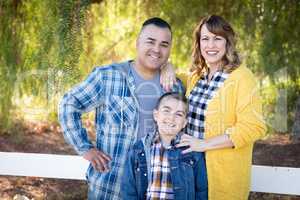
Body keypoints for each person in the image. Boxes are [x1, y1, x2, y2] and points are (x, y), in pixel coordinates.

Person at [58, 17, 184, 199]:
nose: (157, 49)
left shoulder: (174, 87)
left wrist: (169, 66)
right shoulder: (108, 77)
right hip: (110, 187)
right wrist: (85, 148)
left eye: (164, 44)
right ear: (137, 43)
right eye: (150, 41)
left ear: (170, 49)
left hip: (155, 189)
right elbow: (69, 104)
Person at [162, 15, 267, 200]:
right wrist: (167, 66)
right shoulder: (197, 77)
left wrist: (204, 144)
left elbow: (254, 127)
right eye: (205, 38)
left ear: (228, 42)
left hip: (222, 177)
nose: (211, 45)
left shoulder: (242, 77)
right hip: (190, 172)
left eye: (217, 38)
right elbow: (174, 76)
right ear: (199, 43)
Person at [122, 92, 208, 200]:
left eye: (179, 114)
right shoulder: (139, 149)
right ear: (156, 115)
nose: (171, 118)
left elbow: (201, 190)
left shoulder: (192, 151)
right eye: (166, 111)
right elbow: (128, 188)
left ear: (185, 123)